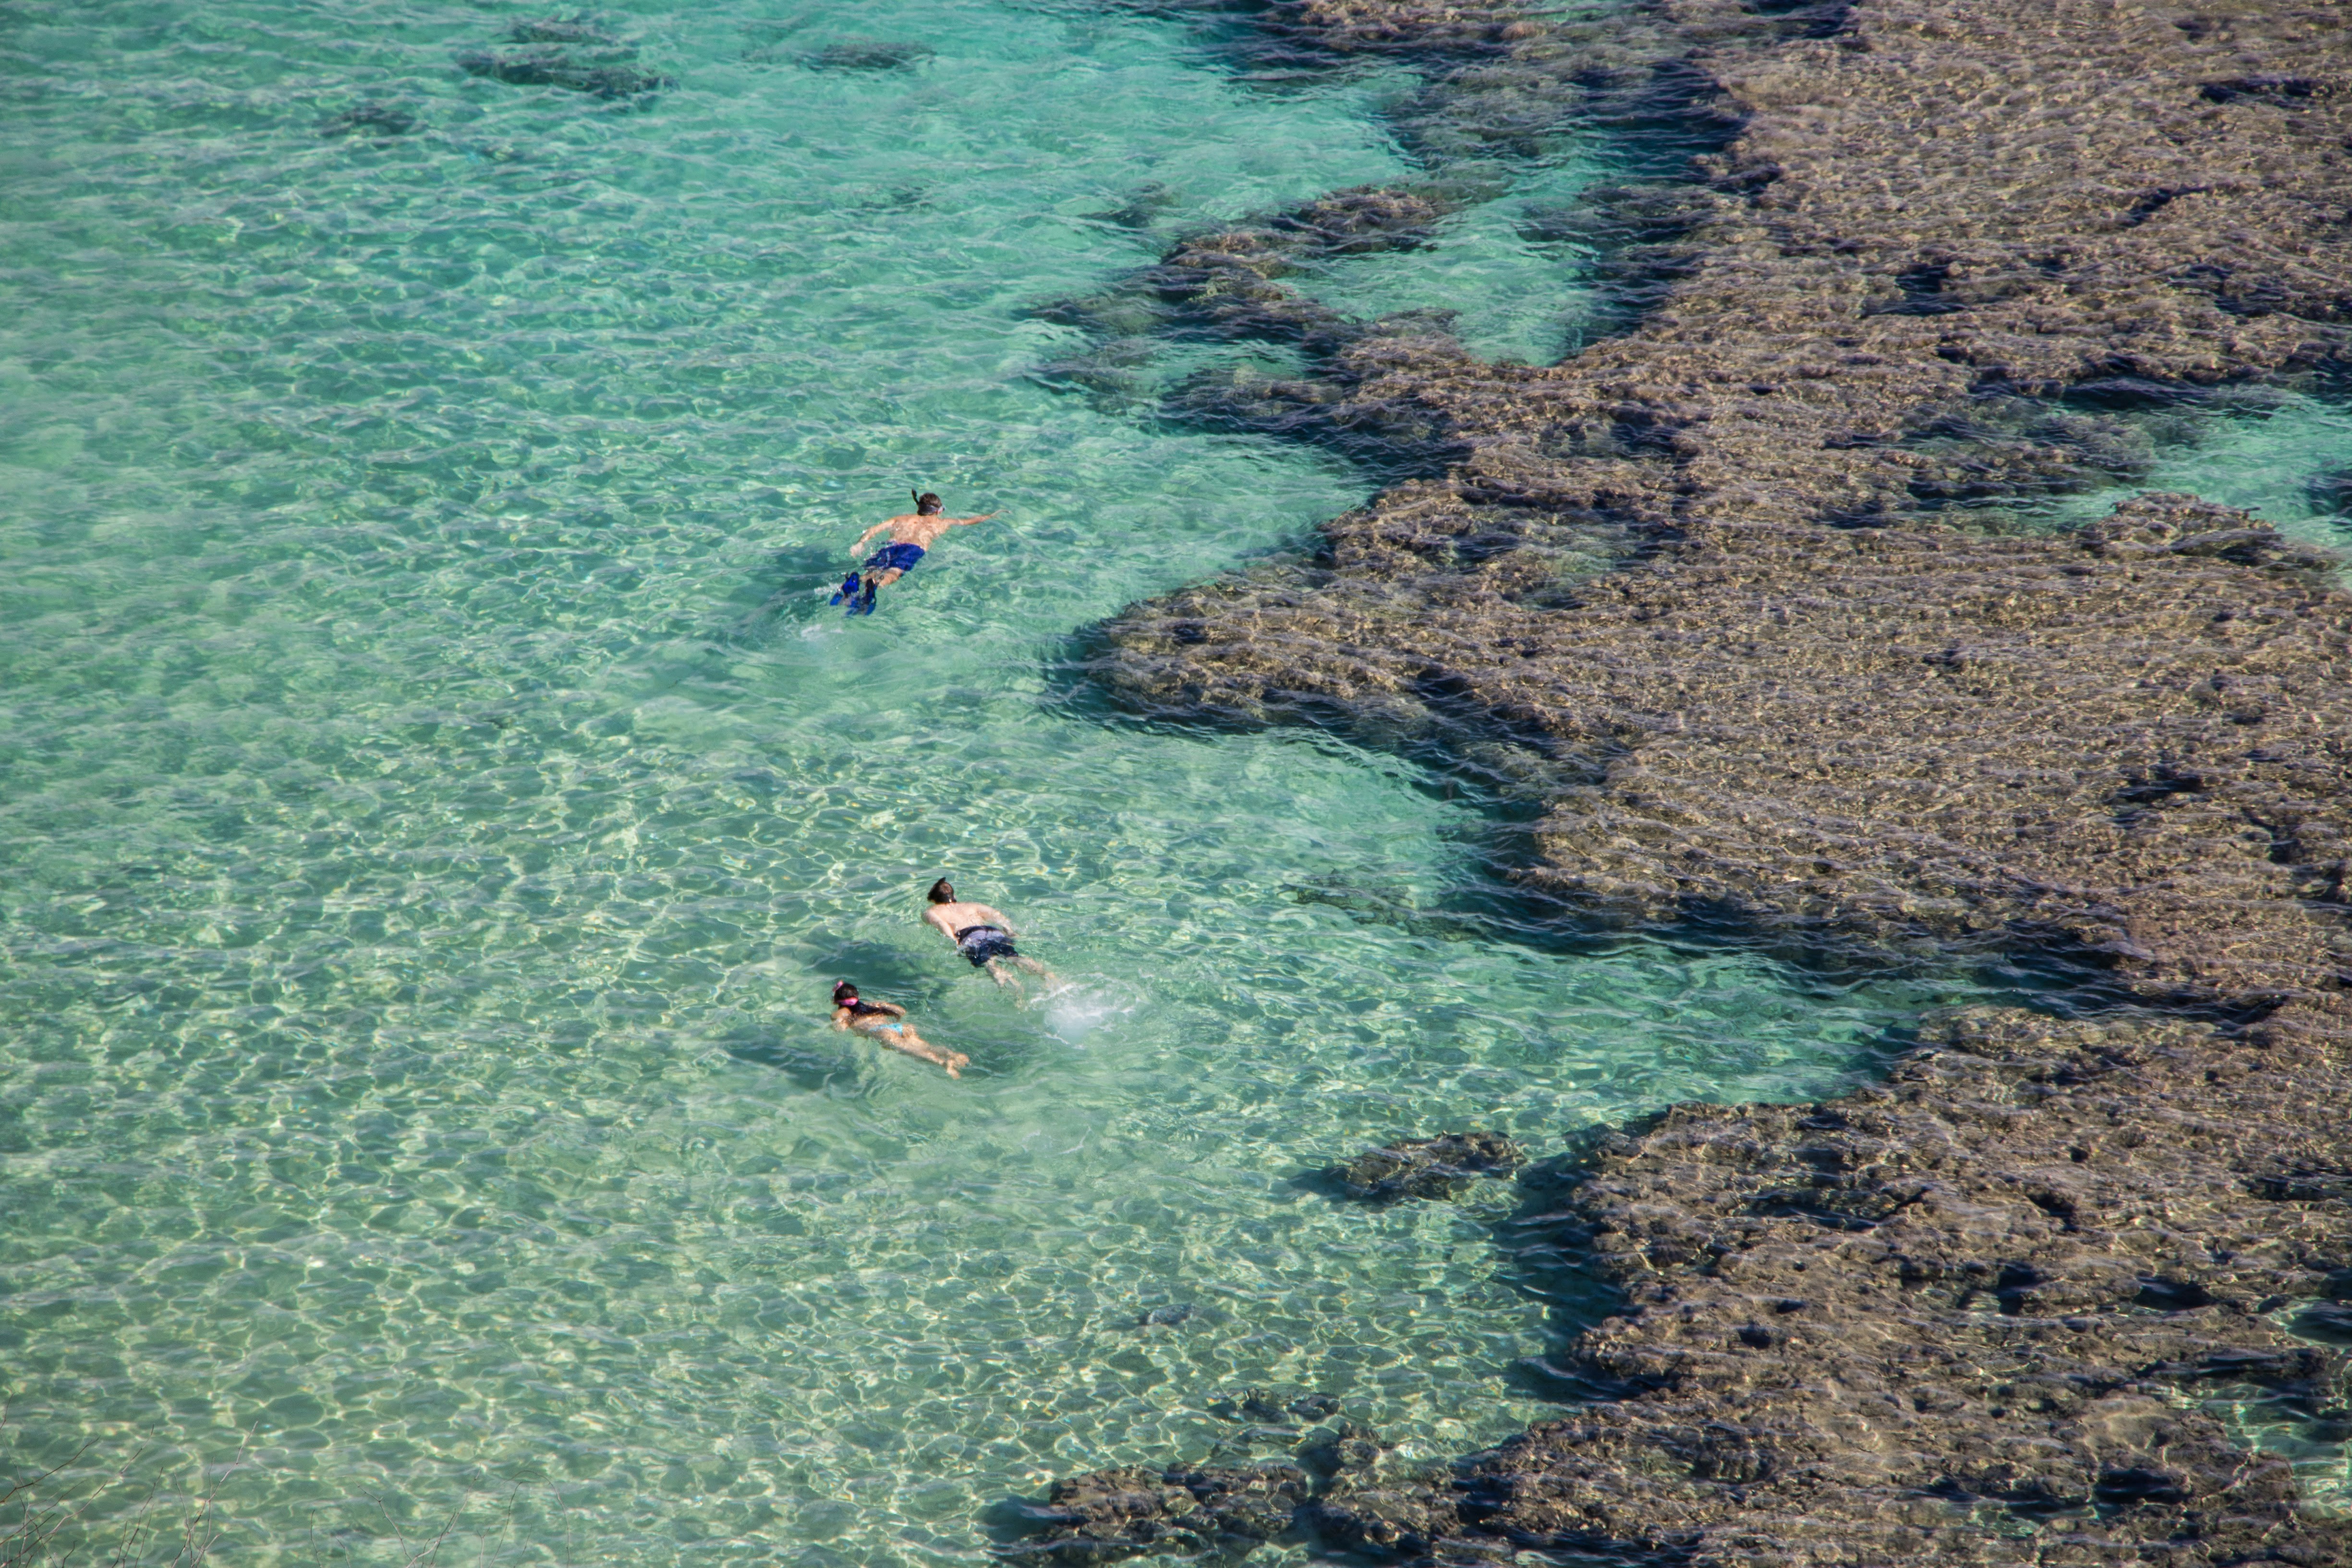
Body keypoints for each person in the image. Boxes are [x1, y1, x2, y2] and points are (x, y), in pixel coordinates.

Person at [830, 490, 999, 615]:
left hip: (890, 546)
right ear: (938, 511)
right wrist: (991, 516)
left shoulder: (901, 519)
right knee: (894, 573)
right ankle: (874, 585)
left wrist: (860, 544)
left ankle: (857, 581)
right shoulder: (943, 523)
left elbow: (873, 530)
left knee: (873, 570)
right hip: (913, 549)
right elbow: (968, 521)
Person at [922, 877, 1055, 992]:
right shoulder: (971, 905)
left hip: (972, 937)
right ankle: (1048, 976)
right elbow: (995, 914)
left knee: (990, 964)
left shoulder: (933, 911)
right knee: (1013, 957)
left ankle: (1015, 993)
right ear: (954, 896)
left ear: (934, 900)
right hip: (993, 932)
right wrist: (1009, 930)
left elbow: (941, 925)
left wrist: (953, 941)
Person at [830, 980, 968, 1077]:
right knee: (926, 1046)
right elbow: (900, 1012)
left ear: (836, 1000)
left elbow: (840, 1029)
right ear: (857, 996)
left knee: (912, 1051)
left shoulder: (843, 1012)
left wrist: (839, 1024)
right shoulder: (872, 1005)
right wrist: (883, 1007)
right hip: (899, 1027)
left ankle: (943, 1063)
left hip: (882, 1032)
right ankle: (952, 1055)